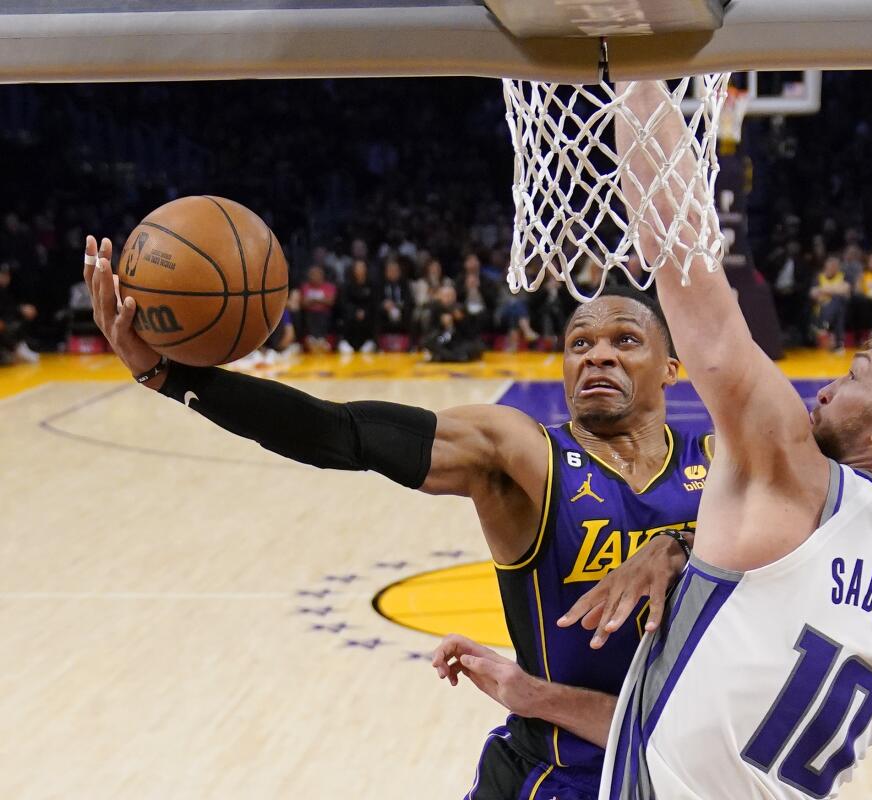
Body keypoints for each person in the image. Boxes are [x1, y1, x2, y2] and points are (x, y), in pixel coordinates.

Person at [81, 234, 707, 800]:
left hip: (695, 767)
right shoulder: (522, 456)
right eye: (579, 344)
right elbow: (342, 432)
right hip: (558, 773)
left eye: (625, 340)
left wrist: (678, 541)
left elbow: (802, 532)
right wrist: (170, 375)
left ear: (673, 370)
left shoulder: (719, 466)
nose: (597, 356)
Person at [601, 80, 872, 799]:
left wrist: (637, 75)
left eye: (856, 377)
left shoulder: (796, 474)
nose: (825, 388)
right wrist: (679, 547)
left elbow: (690, 272)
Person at [809, 255, 850, 351]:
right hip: (820, 309)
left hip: (837, 309)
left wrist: (823, 290)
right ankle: (838, 342)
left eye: (835, 266)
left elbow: (845, 290)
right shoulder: (818, 277)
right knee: (837, 304)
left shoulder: (843, 276)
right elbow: (813, 294)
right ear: (825, 266)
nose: (832, 268)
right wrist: (835, 289)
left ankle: (824, 326)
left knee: (838, 302)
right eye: (830, 266)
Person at [338, 259, 378, 353]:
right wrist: (355, 311)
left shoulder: (372, 285)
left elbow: (374, 302)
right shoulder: (346, 285)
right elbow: (344, 303)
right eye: (358, 268)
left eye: (362, 268)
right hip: (351, 316)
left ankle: (370, 342)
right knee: (347, 317)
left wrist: (365, 312)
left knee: (373, 316)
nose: (360, 270)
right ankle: (345, 342)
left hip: (367, 316)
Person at [298, 264, 337, 353]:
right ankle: (312, 339)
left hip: (324, 315)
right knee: (308, 316)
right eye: (312, 274)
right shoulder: (305, 287)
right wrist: (321, 300)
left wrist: (312, 300)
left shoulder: (329, 287)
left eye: (316, 274)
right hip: (309, 315)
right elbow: (303, 303)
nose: (314, 277)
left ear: (322, 275)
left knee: (323, 316)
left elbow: (330, 302)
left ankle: (322, 340)